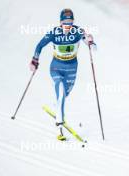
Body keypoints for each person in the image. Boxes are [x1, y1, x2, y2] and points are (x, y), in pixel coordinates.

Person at [30, 9, 94, 141]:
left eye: (70, 22)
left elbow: (90, 44)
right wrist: (35, 60)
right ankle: (59, 126)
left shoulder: (77, 31)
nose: (68, 25)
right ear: (60, 22)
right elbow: (39, 45)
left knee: (65, 94)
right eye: (65, 22)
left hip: (72, 69)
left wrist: (90, 41)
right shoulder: (54, 33)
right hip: (56, 68)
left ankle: (57, 106)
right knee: (60, 92)